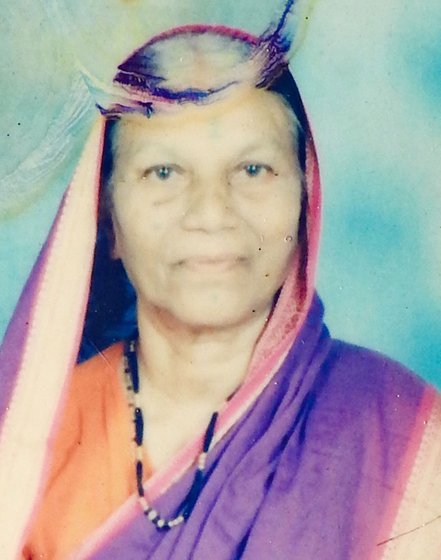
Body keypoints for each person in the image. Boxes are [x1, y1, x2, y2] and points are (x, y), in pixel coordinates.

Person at [3, 20, 440, 560]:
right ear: (106, 220)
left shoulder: (403, 439)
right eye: (163, 172)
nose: (211, 213)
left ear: (307, 202)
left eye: (252, 168)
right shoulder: (31, 441)